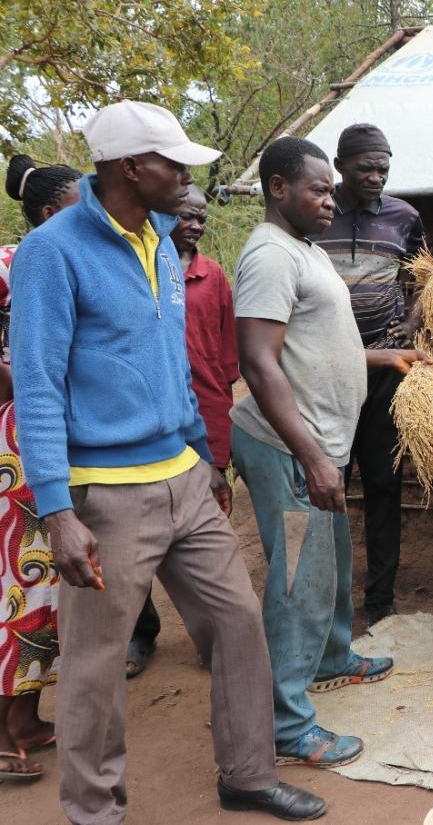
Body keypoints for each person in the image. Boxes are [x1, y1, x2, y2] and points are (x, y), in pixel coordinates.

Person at [9, 101, 325, 821]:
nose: (185, 178)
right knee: (95, 663)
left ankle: (246, 773)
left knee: (240, 618)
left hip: (181, 474)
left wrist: (205, 459)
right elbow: (37, 385)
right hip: (108, 498)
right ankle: (95, 810)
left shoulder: (158, 237)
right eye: (173, 163)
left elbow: (169, 360)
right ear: (131, 168)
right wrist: (58, 510)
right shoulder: (53, 253)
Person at [232, 136, 423, 769]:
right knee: (298, 584)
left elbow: (315, 344)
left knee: (333, 561)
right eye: (318, 188)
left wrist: (380, 356)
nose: (329, 199)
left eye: (329, 190)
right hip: (291, 450)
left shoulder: (303, 250)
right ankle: (287, 726)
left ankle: (334, 659)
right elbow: (258, 363)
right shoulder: (268, 256)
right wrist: (312, 456)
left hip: (320, 446)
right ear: (277, 188)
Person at [315, 124, 426, 626]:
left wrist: (409, 322)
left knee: (383, 487)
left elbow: (427, 279)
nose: (377, 176)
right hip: (325, 374)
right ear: (340, 166)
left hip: (385, 374)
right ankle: (326, 600)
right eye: (366, 168)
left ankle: (380, 603)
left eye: (384, 167)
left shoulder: (405, 217)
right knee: (326, 486)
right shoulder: (315, 214)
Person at [129, 184, 239, 677]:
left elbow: (225, 354)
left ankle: (212, 639)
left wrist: (217, 430)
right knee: (135, 539)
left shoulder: (212, 275)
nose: (194, 224)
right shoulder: (136, 268)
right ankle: (139, 633)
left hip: (204, 415)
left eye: (201, 217)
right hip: (148, 422)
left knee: (204, 535)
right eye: (183, 215)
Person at [0, 154, 80, 783]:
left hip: (40, 435)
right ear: (52, 211)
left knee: (39, 583)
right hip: (19, 441)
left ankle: (22, 718)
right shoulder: (24, 258)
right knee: (23, 584)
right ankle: (10, 729)